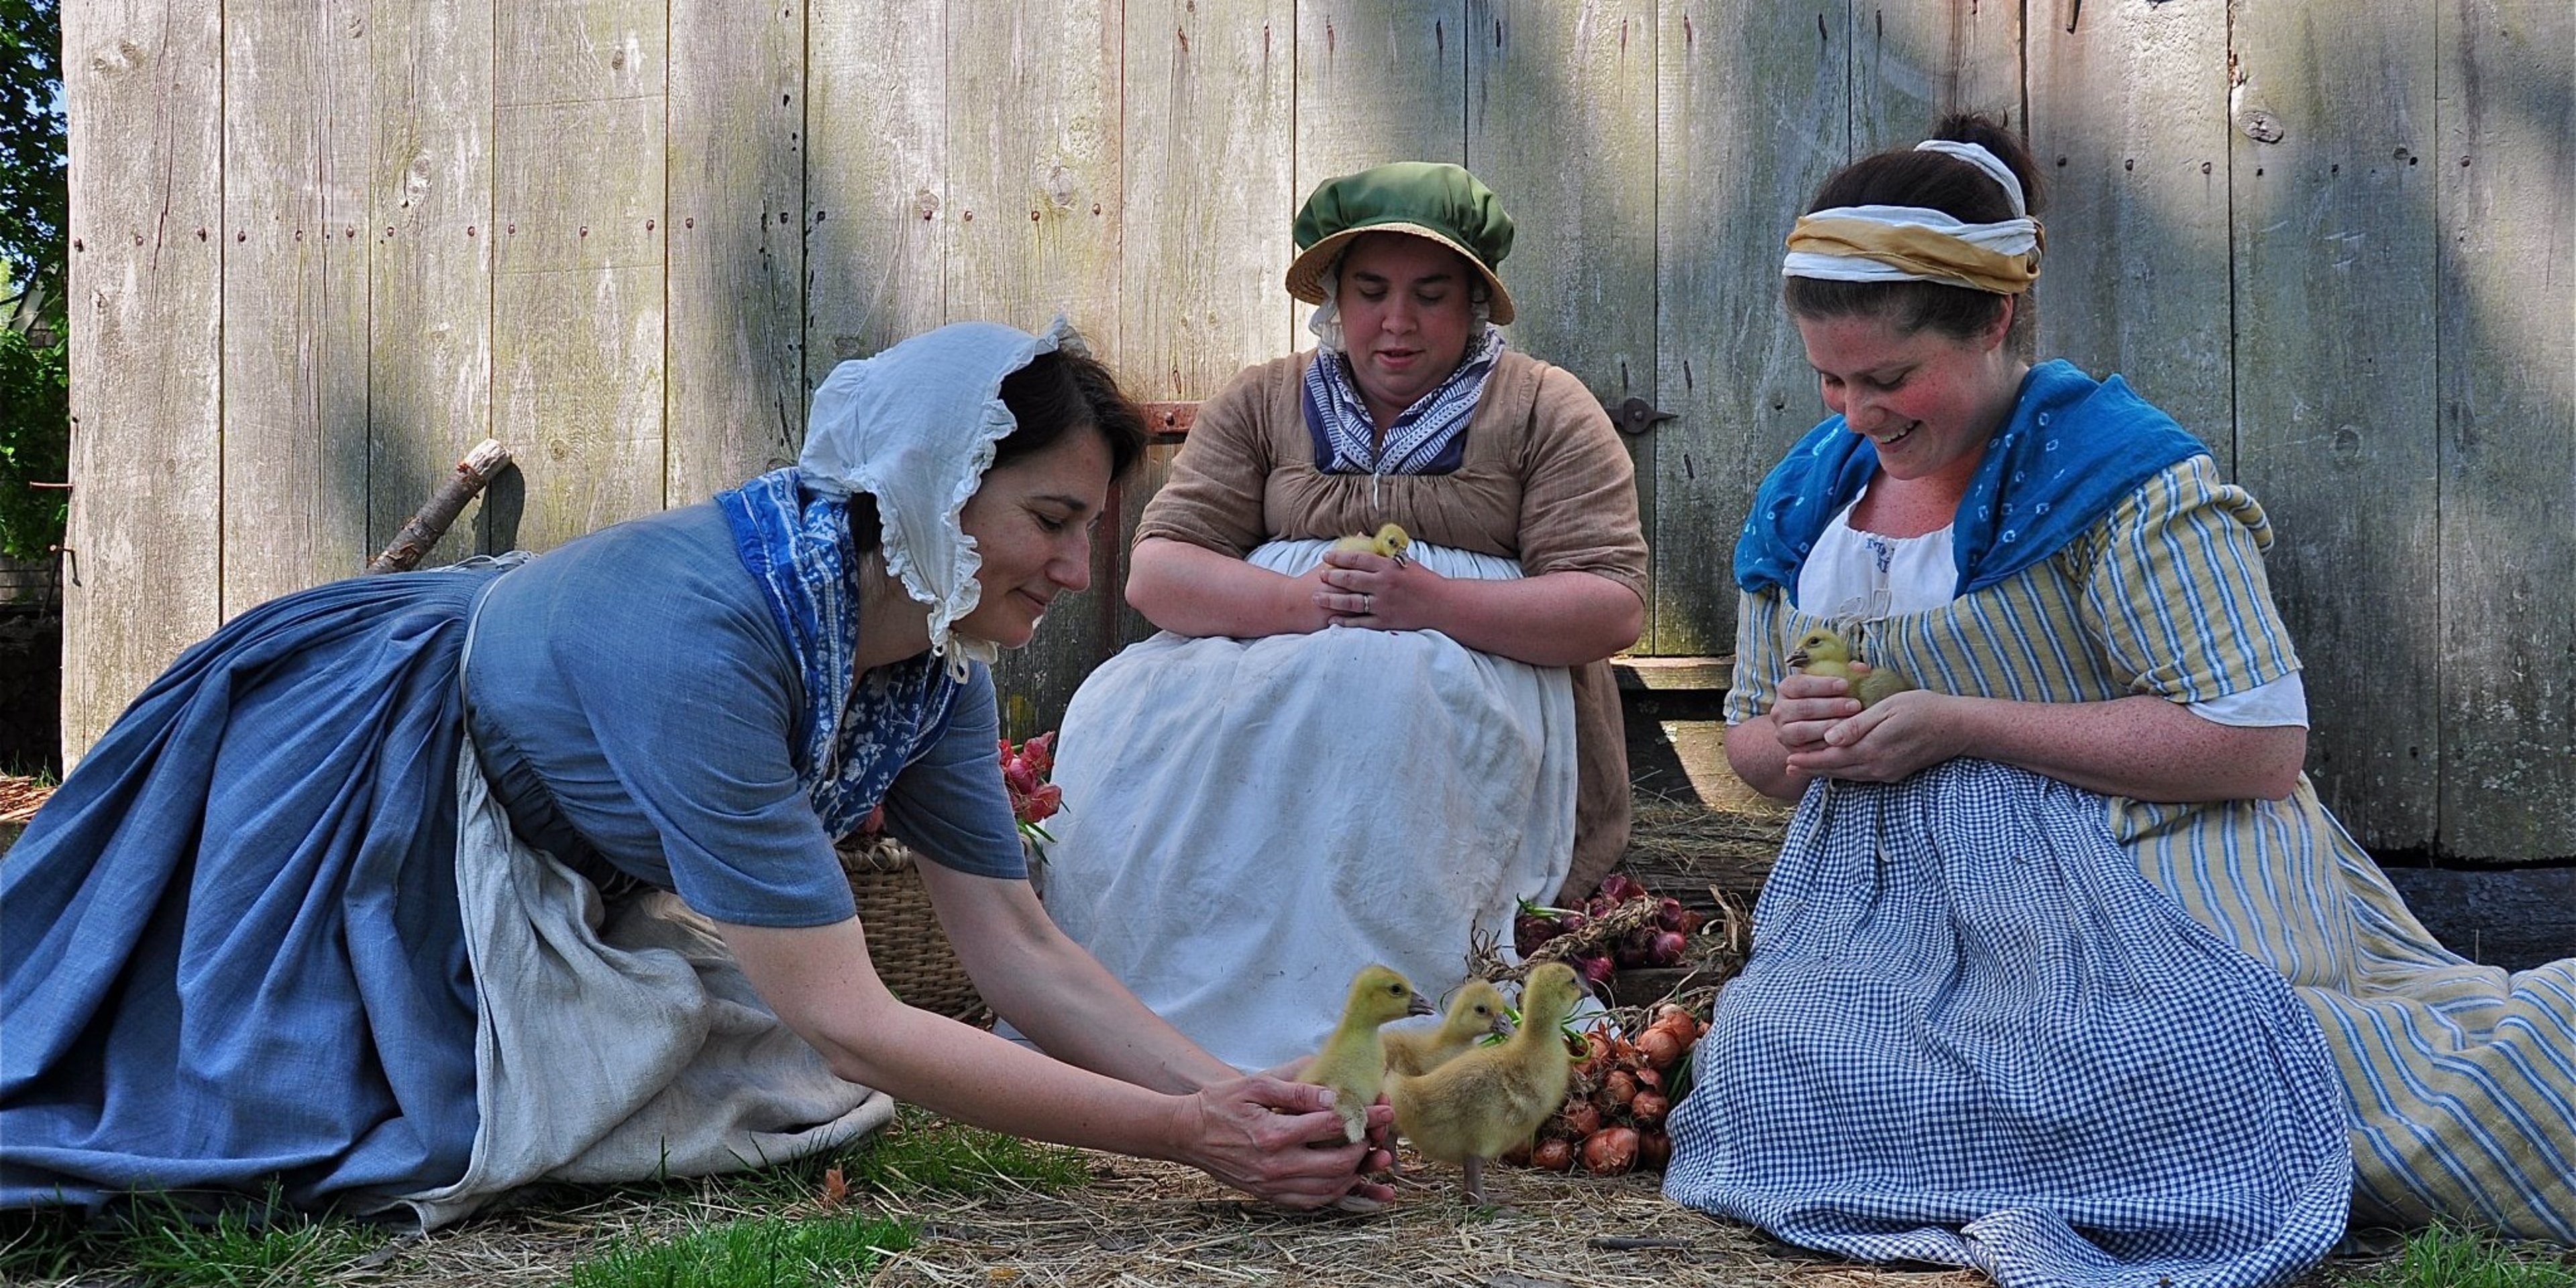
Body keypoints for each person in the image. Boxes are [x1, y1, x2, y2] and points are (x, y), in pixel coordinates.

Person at [0, 319, 1395, 1226]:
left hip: (525, 813)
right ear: (926, 485)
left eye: (1092, 528)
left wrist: (1242, 1099)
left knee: (772, 1081)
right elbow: (853, 1015)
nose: (1082, 570)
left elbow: (1020, 945)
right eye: (1052, 518)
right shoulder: (714, 642)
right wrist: (1188, 1135)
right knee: (252, 1112)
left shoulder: (927, 654)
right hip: (356, 758)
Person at [1660, 113, 2576, 1282]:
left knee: (2225, 1072)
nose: (1858, 414)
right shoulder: (1809, 504)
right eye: (1829, 378)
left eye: (1890, 377)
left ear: (1995, 319)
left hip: (2153, 869)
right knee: (1771, 1078)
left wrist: (1961, 724)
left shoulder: (2119, 479)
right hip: (1896, 928)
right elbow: (1750, 734)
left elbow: (2256, 743)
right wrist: (1786, 743)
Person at [1026, 163, 1649, 1072]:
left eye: (1432, 296)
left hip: (1470, 667)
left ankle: (1364, 1002)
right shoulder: (1267, 398)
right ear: (1332, 297)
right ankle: (1138, 1002)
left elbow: (1609, 604)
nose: (1397, 322)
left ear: (1478, 302)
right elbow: (1158, 573)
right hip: (1265, 643)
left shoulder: (1544, 407)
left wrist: (1431, 603)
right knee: (1126, 711)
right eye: (1371, 292)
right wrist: (1304, 601)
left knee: (1377, 701)